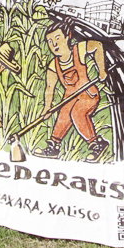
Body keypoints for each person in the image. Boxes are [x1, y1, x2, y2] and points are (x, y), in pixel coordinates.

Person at [35, 18, 110, 163]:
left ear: (67, 36)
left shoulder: (78, 50)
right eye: (50, 41)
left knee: (78, 112)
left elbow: (98, 45)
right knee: (63, 115)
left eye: (57, 38)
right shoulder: (53, 64)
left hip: (87, 94)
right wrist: (47, 108)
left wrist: (102, 70)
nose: (54, 44)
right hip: (69, 97)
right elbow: (49, 87)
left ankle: (96, 144)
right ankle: (54, 146)